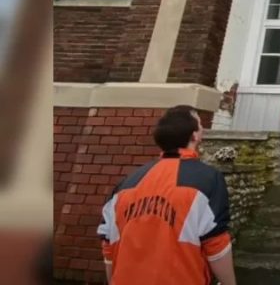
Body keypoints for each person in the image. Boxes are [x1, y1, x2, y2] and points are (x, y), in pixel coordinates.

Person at [97, 105, 236, 285]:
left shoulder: (126, 183)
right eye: (200, 125)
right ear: (195, 135)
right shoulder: (208, 179)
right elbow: (216, 244)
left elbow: (108, 247)